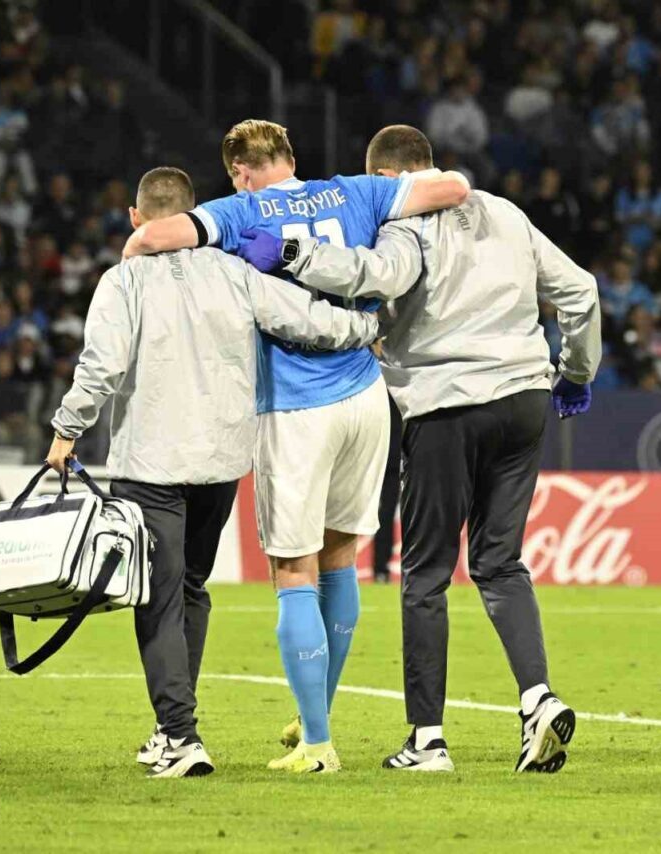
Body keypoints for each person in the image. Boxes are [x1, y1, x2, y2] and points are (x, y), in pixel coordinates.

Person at [237, 124, 600, 774]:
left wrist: (291, 253)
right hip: (524, 400)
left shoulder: (403, 224)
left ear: (389, 180)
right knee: (500, 564)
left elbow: (376, 275)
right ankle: (538, 699)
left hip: (447, 405)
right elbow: (580, 290)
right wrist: (576, 371)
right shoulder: (506, 213)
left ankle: (427, 741)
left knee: (426, 576)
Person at [122, 120, 470, 774]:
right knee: (341, 562)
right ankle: (316, 712)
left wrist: (132, 250)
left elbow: (156, 236)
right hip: (367, 395)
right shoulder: (357, 191)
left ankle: (317, 743)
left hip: (296, 405)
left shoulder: (240, 211)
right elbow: (452, 188)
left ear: (240, 171)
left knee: (294, 571)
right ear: (290, 155)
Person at [46, 167, 381, 778]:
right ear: (191, 216)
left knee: (159, 598)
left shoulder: (124, 281)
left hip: (151, 463)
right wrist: (368, 327)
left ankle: (181, 736)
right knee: (191, 588)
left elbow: (102, 365)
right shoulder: (234, 271)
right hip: (221, 463)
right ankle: (169, 729)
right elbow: (307, 318)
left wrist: (67, 429)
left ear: (136, 219)